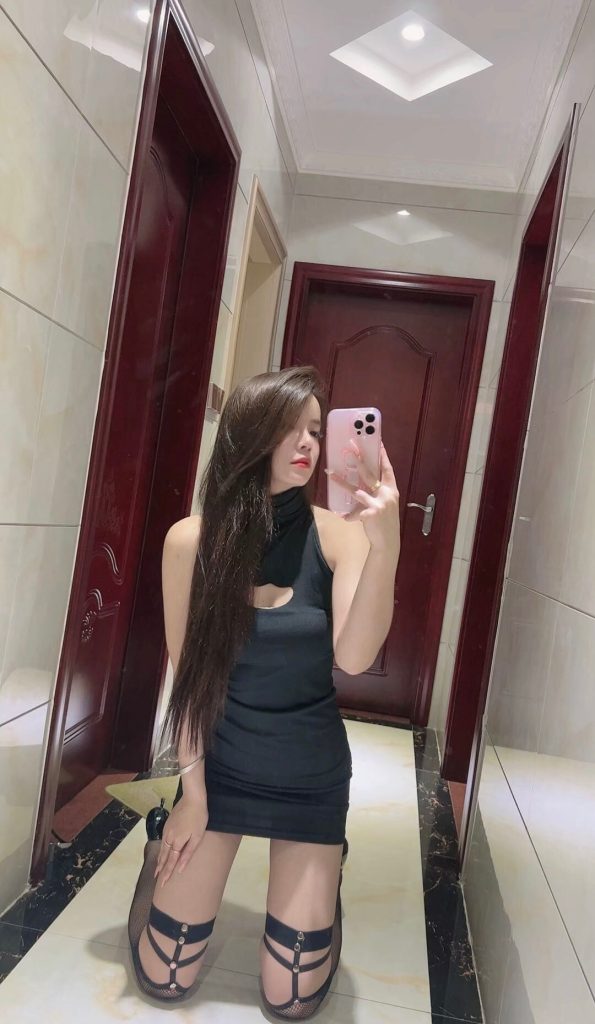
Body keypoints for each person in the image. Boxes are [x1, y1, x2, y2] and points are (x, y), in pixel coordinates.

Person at [128, 365, 401, 1017]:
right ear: (249, 434)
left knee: (291, 996)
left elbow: (354, 659)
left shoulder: (340, 537)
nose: (307, 443)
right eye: (288, 428)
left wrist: (384, 546)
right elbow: (187, 680)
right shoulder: (190, 541)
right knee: (167, 977)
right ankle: (159, 847)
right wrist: (193, 796)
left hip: (309, 776)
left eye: (316, 430)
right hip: (220, 769)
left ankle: (325, 865)